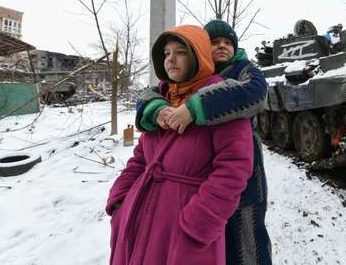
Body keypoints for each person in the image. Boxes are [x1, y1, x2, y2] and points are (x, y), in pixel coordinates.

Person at [106, 25, 254, 265]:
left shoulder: (219, 99)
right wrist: (120, 198)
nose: (170, 59)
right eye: (166, 53)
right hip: (138, 218)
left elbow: (234, 168)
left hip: (184, 229)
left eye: (180, 52)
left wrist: (199, 223)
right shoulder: (160, 101)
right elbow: (141, 158)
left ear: (198, 55)